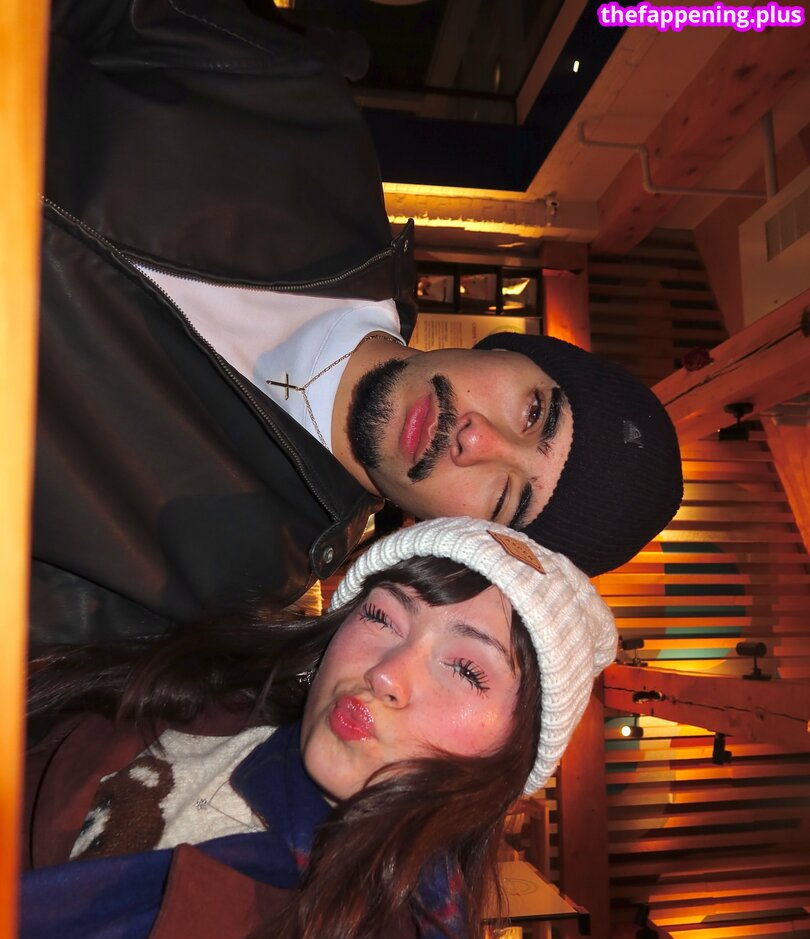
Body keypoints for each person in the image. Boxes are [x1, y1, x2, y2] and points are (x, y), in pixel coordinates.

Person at [33, 0, 682, 647]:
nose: (477, 439)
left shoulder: (220, 583)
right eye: (535, 413)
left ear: (464, 539)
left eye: (505, 498)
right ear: (516, 350)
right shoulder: (308, 128)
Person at [19, 517, 616, 939]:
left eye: (466, 669)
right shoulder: (210, 689)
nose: (386, 672)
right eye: (383, 616)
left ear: (509, 761)